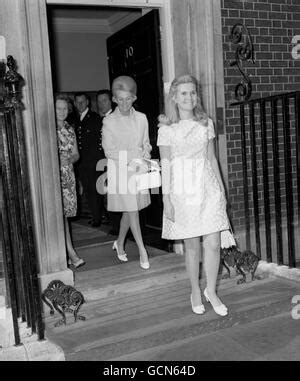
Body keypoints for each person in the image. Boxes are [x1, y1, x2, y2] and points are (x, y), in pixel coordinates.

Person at [157, 74, 229, 316]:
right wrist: (166, 200)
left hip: (207, 186)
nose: (189, 97)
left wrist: (221, 190)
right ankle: (195, 290)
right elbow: (165, 165)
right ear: (175, 97)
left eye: (193, 92)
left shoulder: (206, 123)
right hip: (182, 189)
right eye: (184, 93)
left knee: (214, 242)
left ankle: (211, 290)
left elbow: (212, 158)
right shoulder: (166, 129)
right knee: (192, 246)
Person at [102, 76, 151, 270]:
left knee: (129, 210)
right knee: (132, 210)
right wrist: (134, 156)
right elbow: (109, 151)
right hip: (120, 169)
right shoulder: (109, 121)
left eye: (128, 98)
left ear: (134, 98)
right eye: (119, 99)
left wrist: (144, 156)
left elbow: (146, 144)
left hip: (138, 169)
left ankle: (120, 242)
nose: (124, 103)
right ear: (114, 99)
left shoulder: (142, 118)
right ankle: (142, 250)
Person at [55, 94, 85, 268]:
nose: (62, 111)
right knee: (57, 216)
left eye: (65, 108)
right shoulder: (47, 128)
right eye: (58, 108)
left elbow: (76, 154)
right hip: (52, 176)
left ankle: (66, 253)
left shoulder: (69, 128)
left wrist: (70, 160)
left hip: (67, 175)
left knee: (64, 216)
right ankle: (70, 252)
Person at [68, 92, 105, 228]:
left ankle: (98, 217)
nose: (80, 104)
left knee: (96, 190)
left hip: (94, 161)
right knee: (88, 190)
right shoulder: (73, 118)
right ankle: (96, 215)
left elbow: (100, 141)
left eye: (82, 102)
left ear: (88, 102)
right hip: (81, 162)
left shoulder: (95, 118)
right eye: (77, 102)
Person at [96, 89, 121, 232]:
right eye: (99, 101)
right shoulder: (100, 119)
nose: (101, 104)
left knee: (118, 194)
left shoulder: (116, 118)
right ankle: (115, 225)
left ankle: (120, 226)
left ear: (111, 100)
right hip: (104, 164)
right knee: (108, 195)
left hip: (116, 163)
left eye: (104, 100)